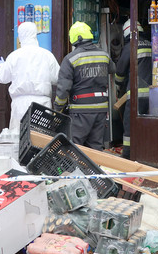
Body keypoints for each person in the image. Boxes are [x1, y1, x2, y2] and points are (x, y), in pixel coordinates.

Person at [54, 21, 115, 150]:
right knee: (96, 147)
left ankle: (76, 170)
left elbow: (63, 88)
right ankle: (95, 170)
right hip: (101, 109)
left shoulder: (71, 59)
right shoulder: (104, 55)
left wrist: (57, 109)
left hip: (81, 110)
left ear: (75, 38)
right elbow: (113, 69)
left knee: (75, 147)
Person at [0, 22, 60, 133]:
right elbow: (57, 78)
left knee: (20, 139)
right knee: (41, 139)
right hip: (42, 104)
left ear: (20, 36)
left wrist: (1, 66)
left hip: (20, 105)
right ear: (35, 34)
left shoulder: (14, 56)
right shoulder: (47, 55)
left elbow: (3, 78)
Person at [116, 19, 152, 159]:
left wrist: (118, 88)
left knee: (129, 125)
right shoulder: (149, 44)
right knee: (145, 125)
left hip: (136, 94)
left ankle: (127, 155)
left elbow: (120, 71)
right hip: (152, 94)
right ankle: (144, 152)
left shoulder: (131, 46)